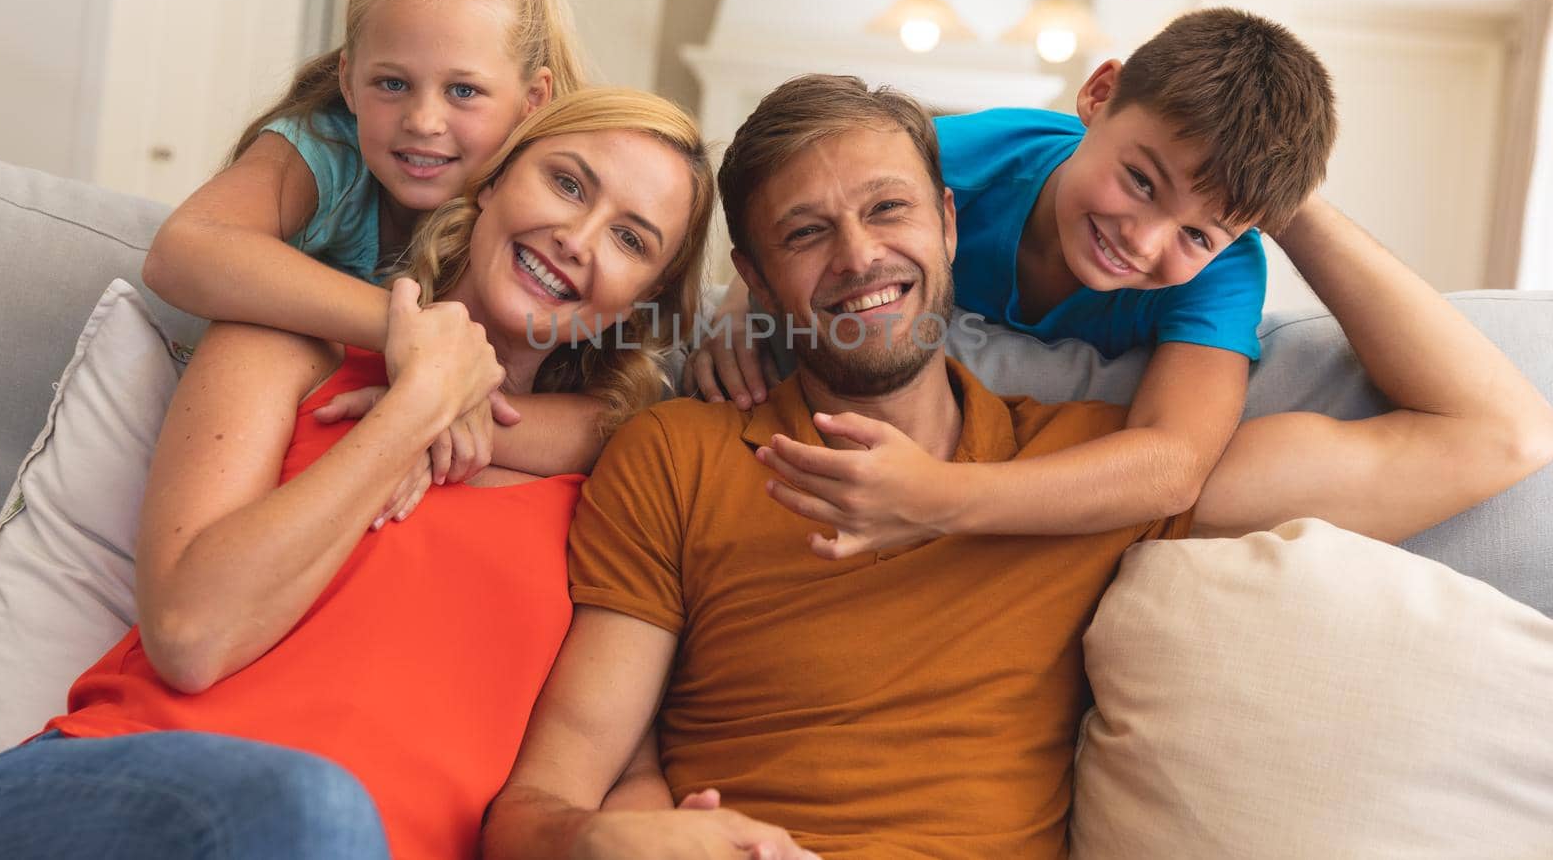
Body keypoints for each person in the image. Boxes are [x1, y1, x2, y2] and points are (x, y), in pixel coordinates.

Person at [480, 75, 1553, 859]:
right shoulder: (674, 455)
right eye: (808, 232)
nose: (859, 256)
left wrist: (1274, 188)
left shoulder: (1098, 467)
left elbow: (1497, 432)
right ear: (752, 280)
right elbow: (534, 810)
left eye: (890, 210)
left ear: (950, 222)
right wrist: (611, 843)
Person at [0, 89, 717, 860]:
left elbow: (617, 768)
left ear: (644, 298)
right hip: (102, 799)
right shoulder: (289, 348)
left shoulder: (618, 491)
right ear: (493, 180)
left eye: (630, 237)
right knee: (315, 805)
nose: (577, 237)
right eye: (568, 183)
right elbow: (192, 634)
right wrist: (410, 413)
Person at [688, 11, 1336, 554]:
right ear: (1098, 95)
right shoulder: (961, 156)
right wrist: (746, 302)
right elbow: (808, 204)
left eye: (1198, 232)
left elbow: (1172, 463)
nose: (1143, 239)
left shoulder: (1225, 266)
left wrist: (933, 496)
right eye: (1141, 181)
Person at [143, 0, 596, 511]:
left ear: (532, 99)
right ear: (351, 81)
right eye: (392, 83)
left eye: (464, 90)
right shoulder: (325, 149)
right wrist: (418, 333)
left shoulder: (547, 203)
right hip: (257, 442)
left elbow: (612, 410)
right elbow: (182, 250)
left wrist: (446, 406)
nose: (423, 120)